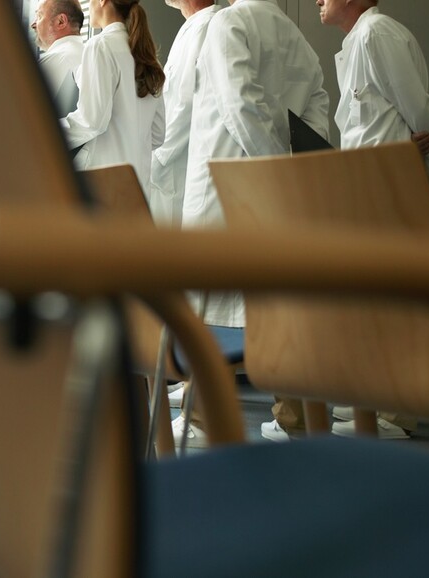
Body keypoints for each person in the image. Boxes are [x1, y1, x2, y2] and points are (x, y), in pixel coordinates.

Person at [277, 0, 429, 441]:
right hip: (372, 181)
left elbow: (420, 115)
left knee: (393, 297)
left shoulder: (377, 34)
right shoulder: (360, 39)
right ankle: (378, 398)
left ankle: (397, 413)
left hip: (391, 182)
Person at [172, 0, 330, 447]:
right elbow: (317, 108)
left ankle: (201, 420)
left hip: (229, 183)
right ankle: (293, 419)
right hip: (280, 191)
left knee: (209, 303)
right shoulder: (295, 37)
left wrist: (271, 169)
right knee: (279, 302)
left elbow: (238, 104)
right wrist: (289, 167)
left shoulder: (227, 22)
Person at [61, 0, 166, 196]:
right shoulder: (148, 57)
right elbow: (158, 134)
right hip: (139, 188)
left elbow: (92, 121)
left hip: (104, 185)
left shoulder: (100, 46)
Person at [148, 0, 221, 228]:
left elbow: (186, 104)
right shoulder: (193, 26)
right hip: (170, 165)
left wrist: (159, 158)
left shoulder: (207, 25)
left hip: (176, 166)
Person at [31, 0, 86, 113]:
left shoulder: (56, 59)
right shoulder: (88, 55)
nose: (33, 24)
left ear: (61, 21)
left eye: (39, 16)